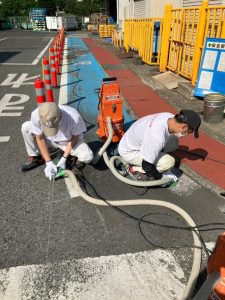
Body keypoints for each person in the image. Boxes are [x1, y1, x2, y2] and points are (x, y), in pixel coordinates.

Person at [118, 109, 201, 182]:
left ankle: (153, 153)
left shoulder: (168, 116)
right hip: (130, 152)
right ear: (184, 127)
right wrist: (161, 177)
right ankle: (136, 169)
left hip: (131, 140)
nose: (188, 134)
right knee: (169, 162)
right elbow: (147, 165)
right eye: (190, 131)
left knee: (174, 142)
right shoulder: (157, 136)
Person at [21, 102, 93, 180]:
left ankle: (72, 168)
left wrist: (64, 157)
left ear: (60, 116)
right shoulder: (36, 114)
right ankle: (37, 158)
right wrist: (48, 162)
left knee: (87, 155)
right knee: (26, 127)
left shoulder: (74, 117)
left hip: (67, 142)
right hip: (49, 140)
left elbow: (75, 138)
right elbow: (40, 138)